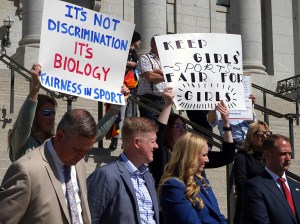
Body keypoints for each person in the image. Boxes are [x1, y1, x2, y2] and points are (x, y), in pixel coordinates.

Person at [8, 64, 130, 161]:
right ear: (34, 115)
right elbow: (23, 124)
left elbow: (95, 135)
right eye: (46, 113)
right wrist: (35, 88)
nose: (51, 117)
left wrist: (117, 106)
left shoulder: (55, 142)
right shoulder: (22, 143)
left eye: (53, 113)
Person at [0, 109, 98, 224]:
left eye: (86, 151)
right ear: (60, 136)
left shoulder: (79, 164)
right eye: (77, 150)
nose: (81, 156)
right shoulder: (26, 171)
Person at [150, 91, 236, 188]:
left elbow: (228, 156)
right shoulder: (160, 154)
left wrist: (226, 123)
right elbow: (160, 129)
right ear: (168, 130)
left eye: (184, 126)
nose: (182, 130)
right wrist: (168, 104)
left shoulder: (194, 154)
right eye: (177, 126)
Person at [87, 117, 160, 224]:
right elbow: (90, 218)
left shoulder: (148, 177)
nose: (156, 146)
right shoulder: (106, 175)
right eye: (153, 141)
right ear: (137, 143)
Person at [158, 132, 227, 224]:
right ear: (190, 156)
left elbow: (219, 217)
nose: (207, 160)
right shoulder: (173, 186)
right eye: (204, 155)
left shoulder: (203, 182)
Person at [243, 134, 300, 224]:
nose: (288, 159)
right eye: (283, 154)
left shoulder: (296, 186)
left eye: (289, 153)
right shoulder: (255, 187)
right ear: (267, 155)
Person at [108, 30, 142, 149]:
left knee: (129, 118)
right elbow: (114, 62)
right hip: (122, 87)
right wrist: (128, 63)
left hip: (133, 88)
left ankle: (126, 141)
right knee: (119, 116)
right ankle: (115, 139)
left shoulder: (135, 53)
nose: (140, 43)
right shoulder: (123, 51)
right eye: (139, 40)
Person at [233, 120, 272, 224]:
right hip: (250, 205)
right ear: (251, 136)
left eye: (267, 133)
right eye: (260, 134)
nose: (264, 136)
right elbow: (241, 183)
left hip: (269, 202)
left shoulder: (270, 156)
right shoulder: (242, 155)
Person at [137, 35, 166, 120]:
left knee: (167, 129)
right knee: (151, 128)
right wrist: (167, 76)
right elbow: (150, 76)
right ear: (152, 45)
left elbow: (174, 75)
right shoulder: (144, 58)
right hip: (150, 99)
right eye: (160, 44)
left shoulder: (166, 59)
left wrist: (159, 72)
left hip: (164, 99)